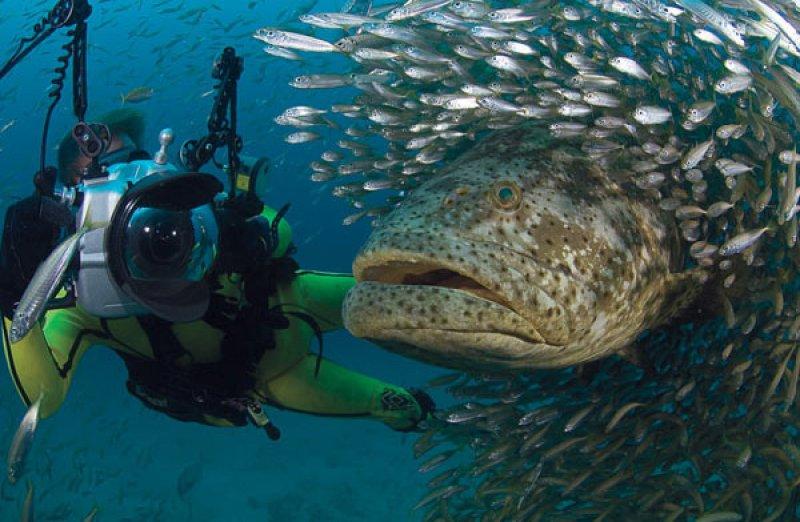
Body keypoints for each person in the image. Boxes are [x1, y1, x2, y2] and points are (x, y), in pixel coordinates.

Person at [0, 108, 434, 436]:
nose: (128, 181)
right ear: (72, 198)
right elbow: (43, 399)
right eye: (105, 176)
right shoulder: (79, 298)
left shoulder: (191, 211)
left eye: (136, 161)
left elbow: (278, 228)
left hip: (296, 297)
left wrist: (250, 234)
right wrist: (14, 294)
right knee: (401, 407)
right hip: (270, 377)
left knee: (425, 299)